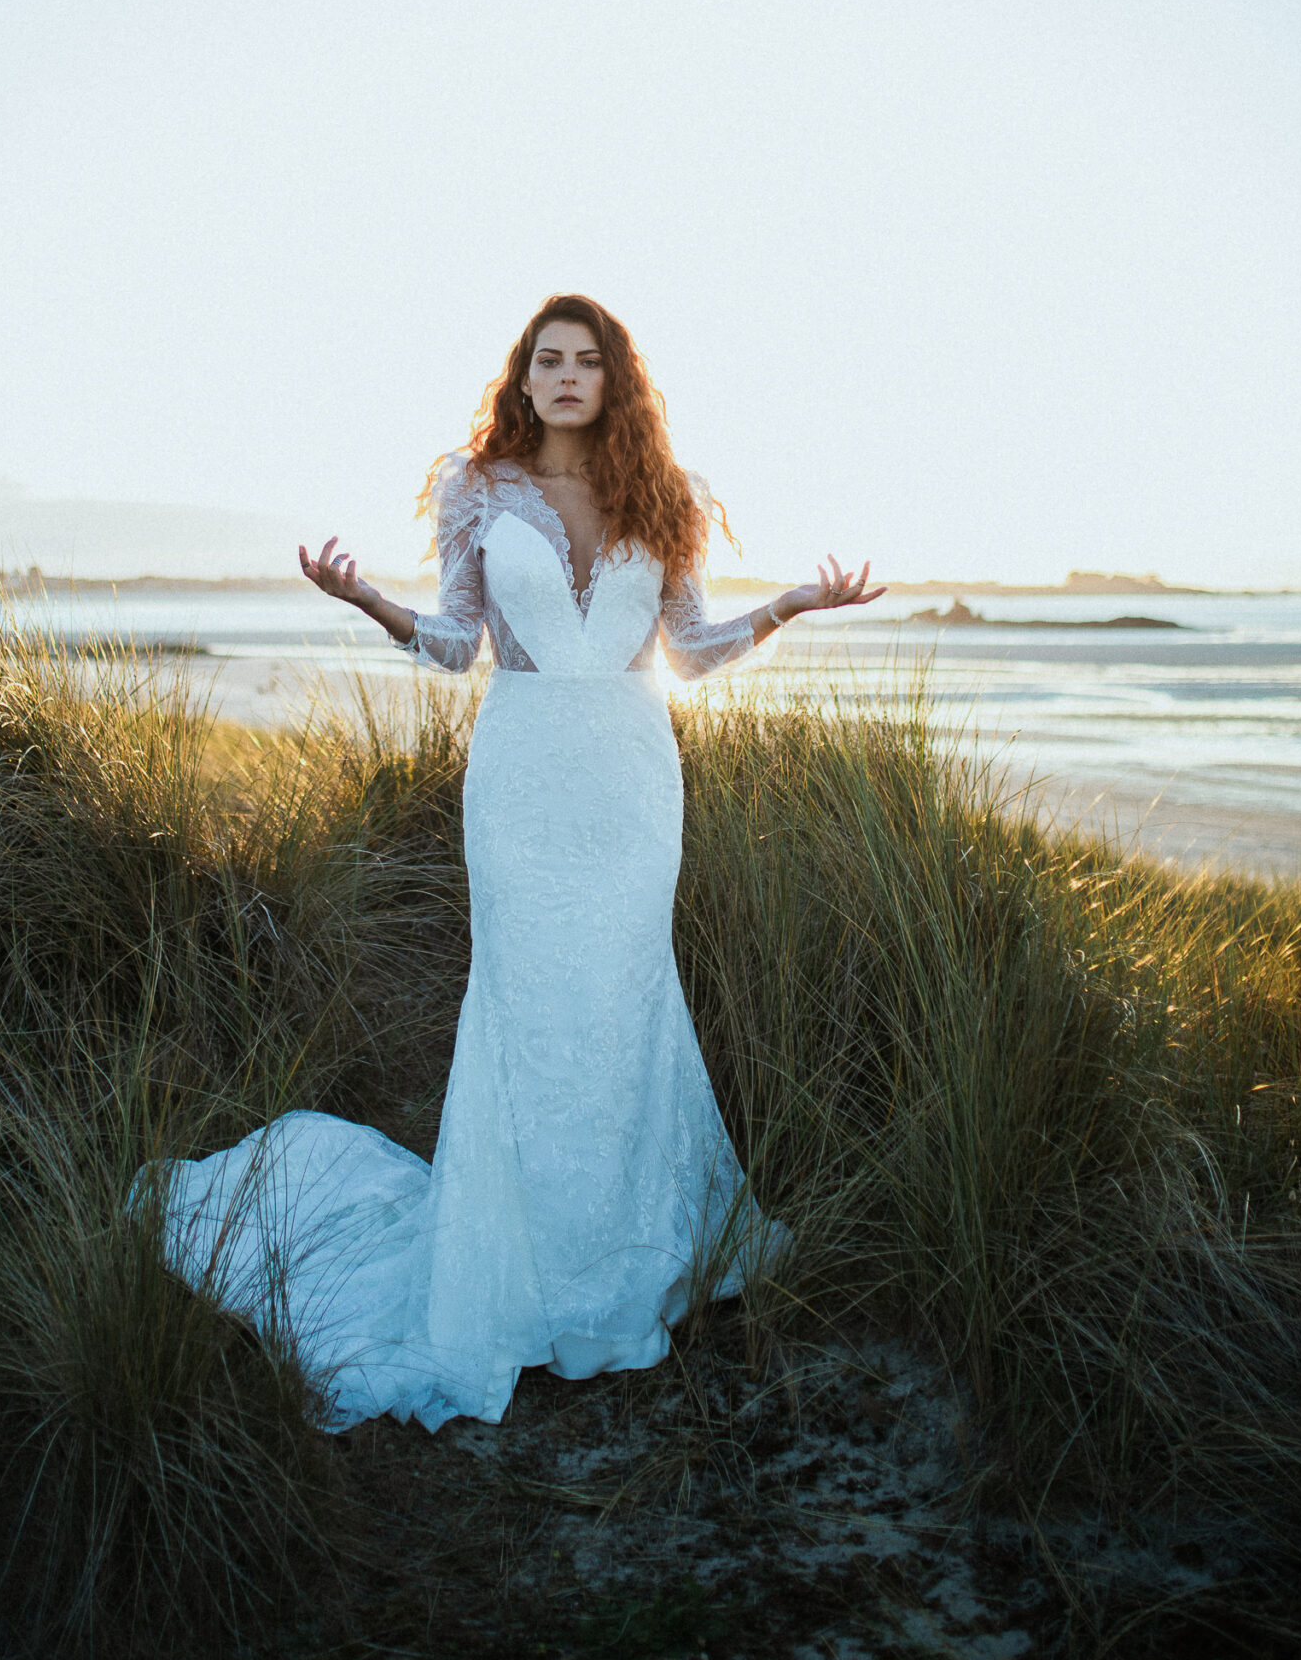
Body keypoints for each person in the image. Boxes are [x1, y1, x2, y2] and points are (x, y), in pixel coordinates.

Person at [145, 295, 883, 1432]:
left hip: (633, 780)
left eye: (590, 360)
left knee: (624, 1000)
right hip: (524, 776)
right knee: (531, 1006)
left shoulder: (662, 496)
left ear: (615, 378)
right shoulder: (479, 492)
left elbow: (690, 649)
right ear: (524, 377)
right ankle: (525, 1278)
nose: (569, 376)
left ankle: (620, 1267)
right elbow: (456, 645)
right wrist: (367, 601)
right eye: (551, 359)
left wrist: (790, 604)